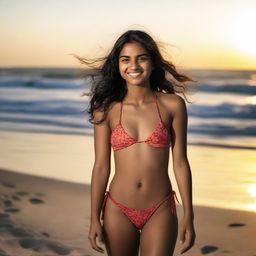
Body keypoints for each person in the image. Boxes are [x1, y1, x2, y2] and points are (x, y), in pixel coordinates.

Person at [77, 29, 196, 256]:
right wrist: (94, 218)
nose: (134, 65)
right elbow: (101, 166)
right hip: (117, 209)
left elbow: (180, 163)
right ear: (118, 65)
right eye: (125, 59)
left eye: (141, 58)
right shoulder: (106, 109)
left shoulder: (173, 105)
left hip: (160, 208)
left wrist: (189, 214)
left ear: (152, 62)